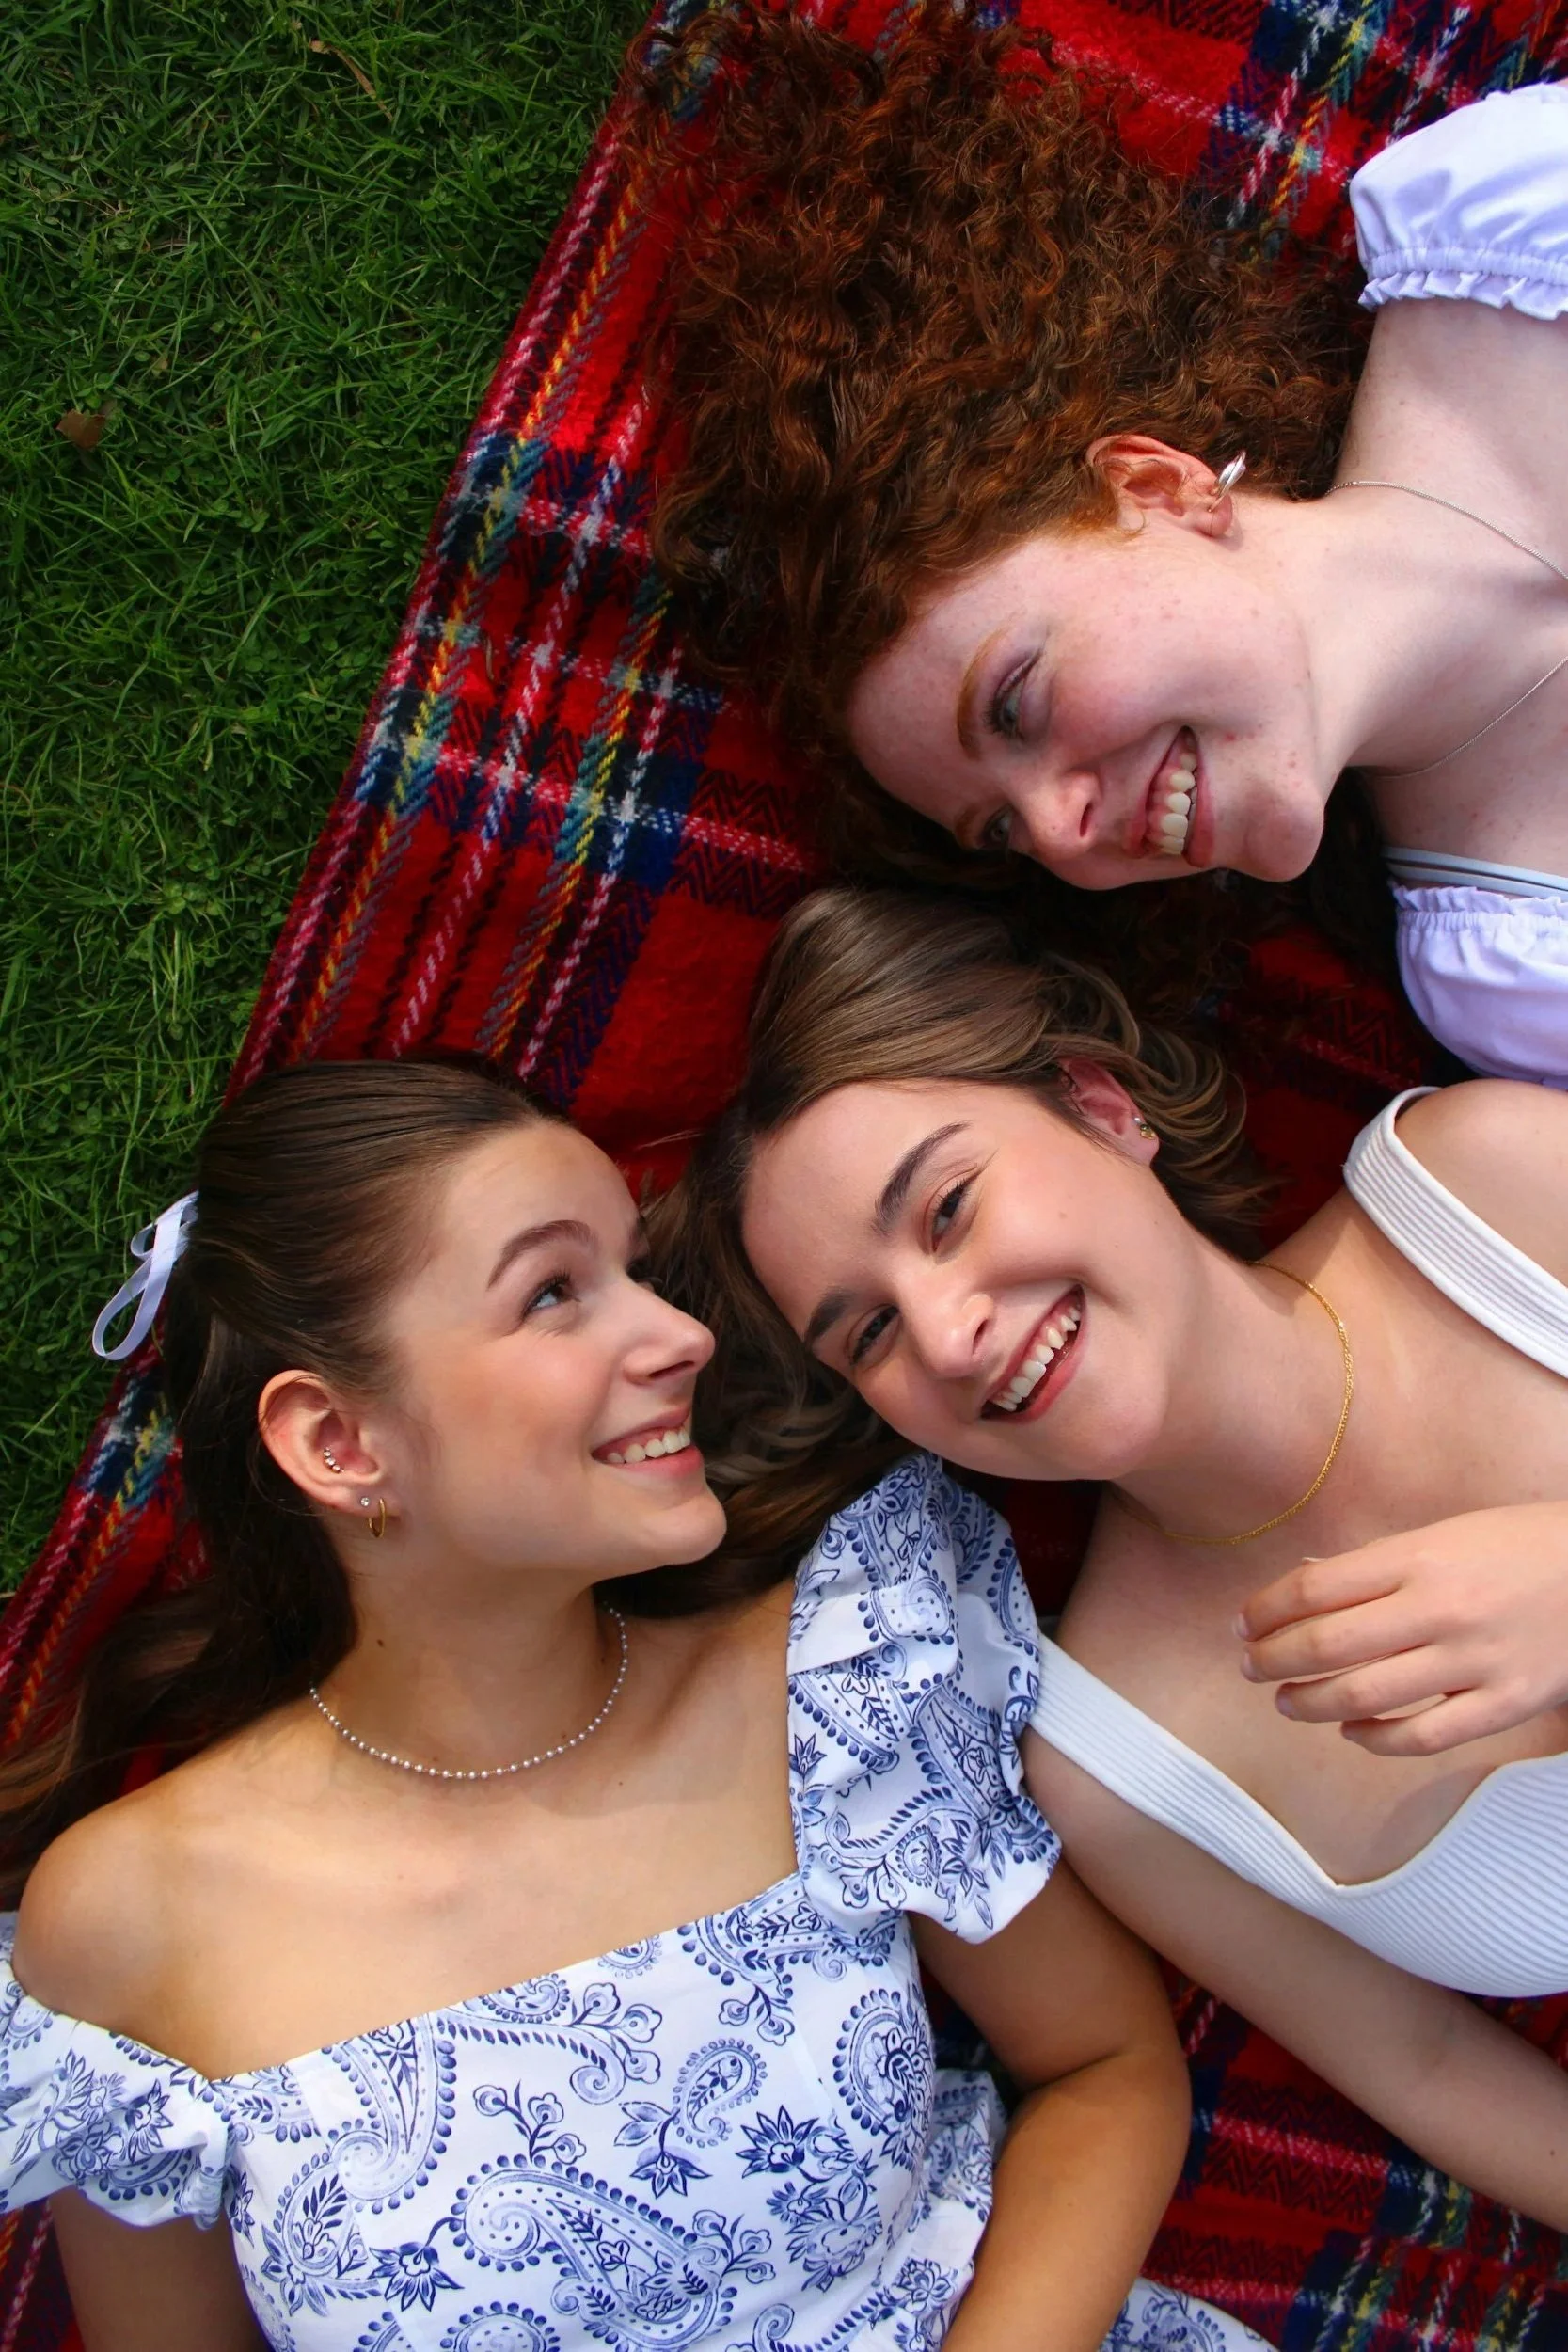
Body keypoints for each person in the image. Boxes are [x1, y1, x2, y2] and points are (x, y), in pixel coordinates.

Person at [0, 1057, 1252, 2352]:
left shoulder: (833, 1682)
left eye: (635, 1272)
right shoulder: (127, 1923)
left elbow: (1103, 2071)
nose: (682, 1335)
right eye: (554, 1292)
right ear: (338, 1444)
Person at [654, 885, 1568, 2234]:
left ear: (1098, 1107)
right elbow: (1424, 2067)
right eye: (869, 1338)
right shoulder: (1108, 1772)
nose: (949, 1332)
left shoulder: (1484, 1199)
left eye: (948, 1208)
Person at [634, 7, 1568, 1085]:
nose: (1061, 830)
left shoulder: (1511, 215)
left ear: (1155, 486)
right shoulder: (1514, 980)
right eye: (1002, 834)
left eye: (1014, 702)